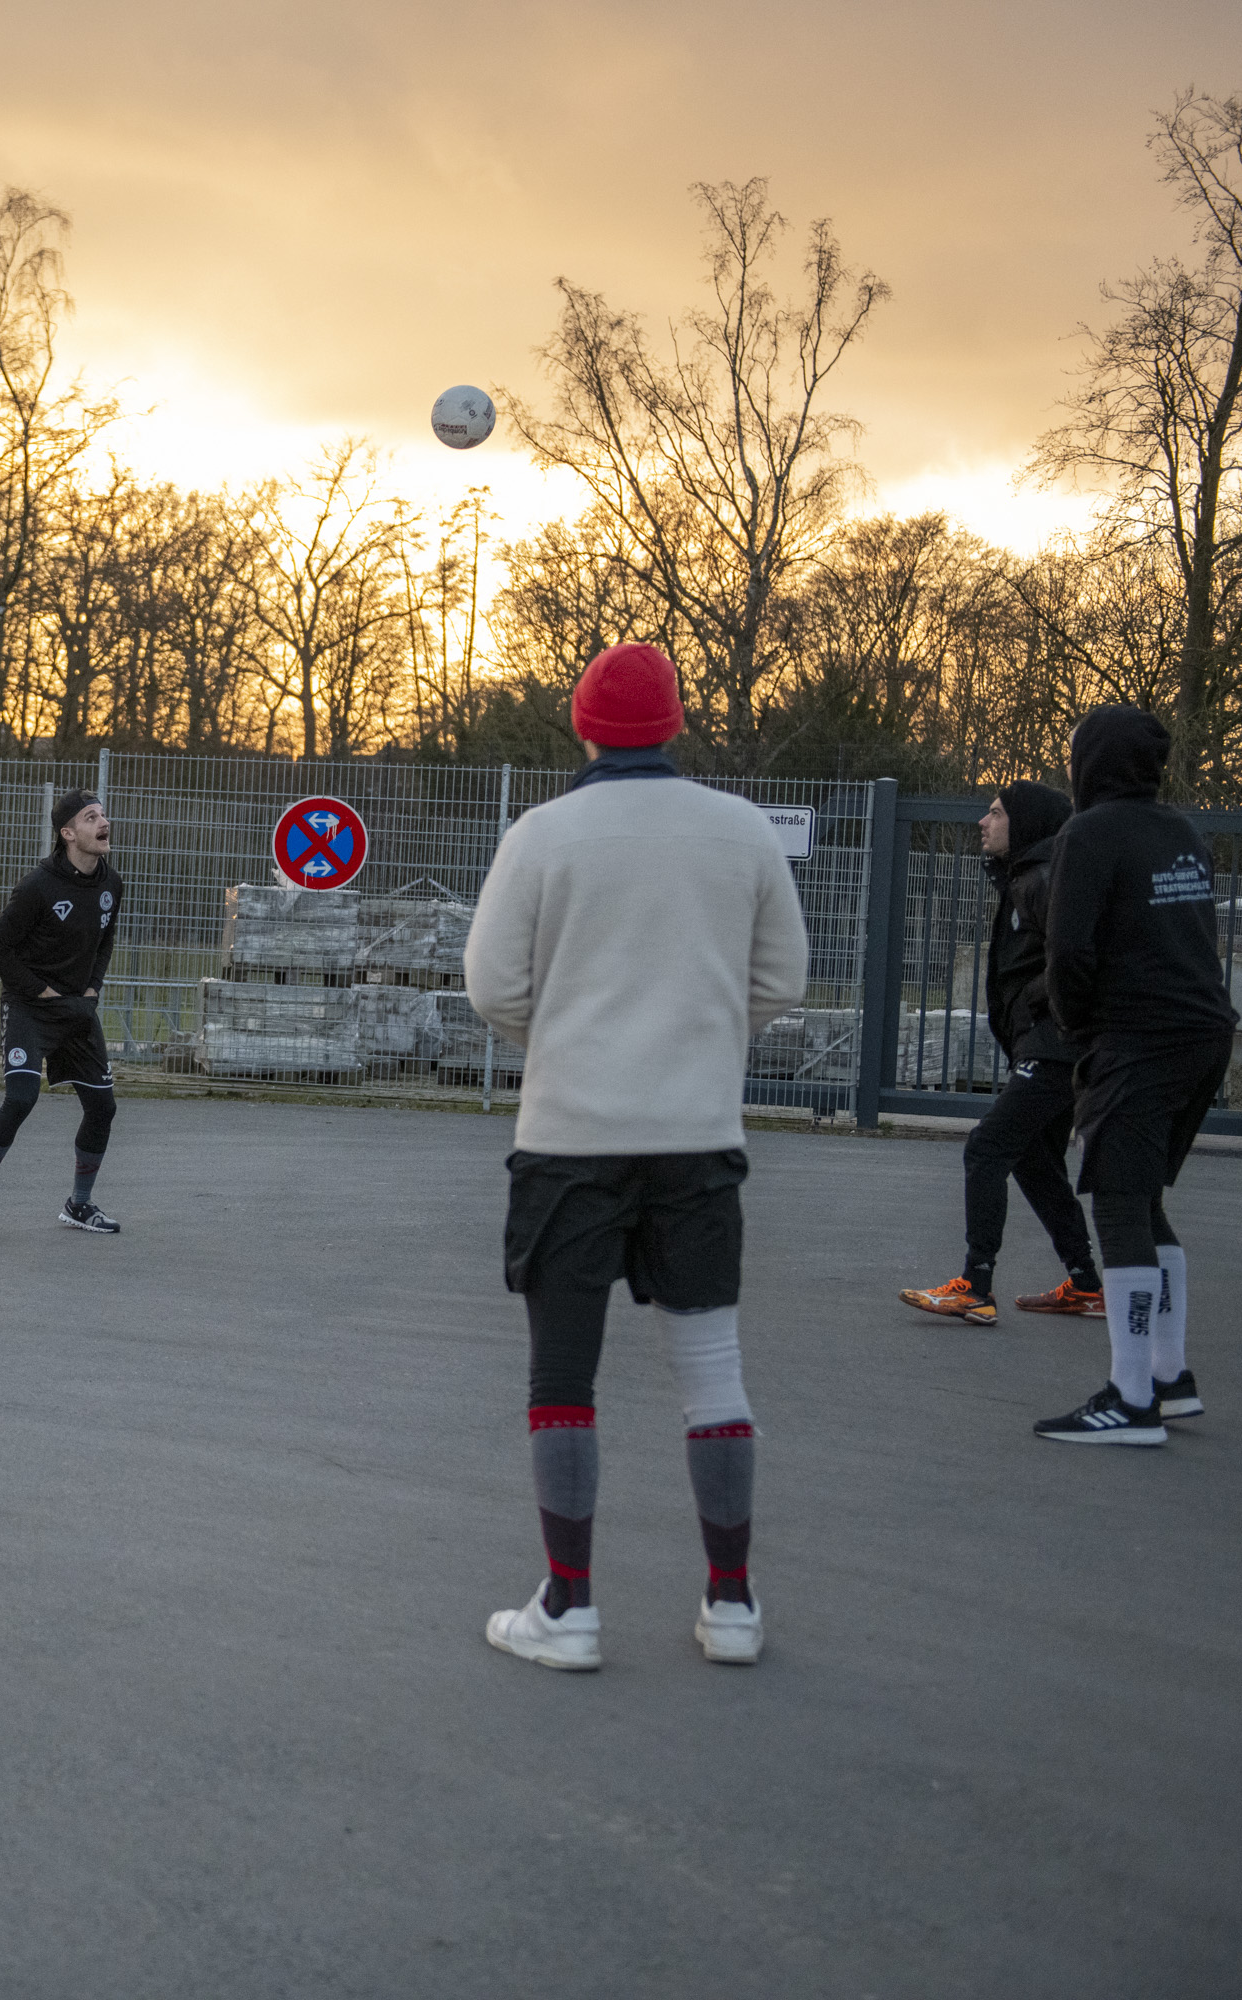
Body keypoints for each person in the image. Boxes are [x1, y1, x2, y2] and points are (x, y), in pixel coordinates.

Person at [461, 642, 808, 1671]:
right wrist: (700, 1036)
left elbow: (492, 985)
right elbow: (781, 977)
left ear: (583, 727)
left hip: (571, 1135)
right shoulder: (739, 830)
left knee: (564, 1375)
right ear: (677, 723)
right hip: (697, 1134)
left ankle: (569, 1605)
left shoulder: (543, 833)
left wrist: (562, 1040)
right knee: (712, 1369)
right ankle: (732, 1599)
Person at [1031, 705, 1236, 1447]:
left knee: (1116, 1201)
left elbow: (1070, 950)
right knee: (1144, 1199)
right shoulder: (1180, 831)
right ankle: (1169, 1378)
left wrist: (1079, 1028)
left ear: (1091, 761)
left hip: (1139, 1036)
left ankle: (1130, 1397)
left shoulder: (1087, 833)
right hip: (1203, 1030)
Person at [898, 782, 1105, 1325]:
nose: (983, 823)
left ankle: (975, 1284)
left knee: (987, 1147)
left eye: (995, 813)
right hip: (1047, 1044)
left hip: (1055, 1046)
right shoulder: (1027, 879)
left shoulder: (1041, 880)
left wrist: (1042, 1009)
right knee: (1034, 1160)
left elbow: (1080, 957)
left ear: (1027, 823)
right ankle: (1086, 1284)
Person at [0, 790, 125, 1237]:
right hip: (30, 1006)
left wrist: (92, 989)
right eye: (91, 818)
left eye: (103, 815)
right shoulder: (38, 886)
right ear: (68, 834)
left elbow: (104, 941)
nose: (103, 822)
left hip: (77, 1010)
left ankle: (79, 1206)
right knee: (21, 1099)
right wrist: (42, 990)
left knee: (102, 1108)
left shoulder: (112, 883)